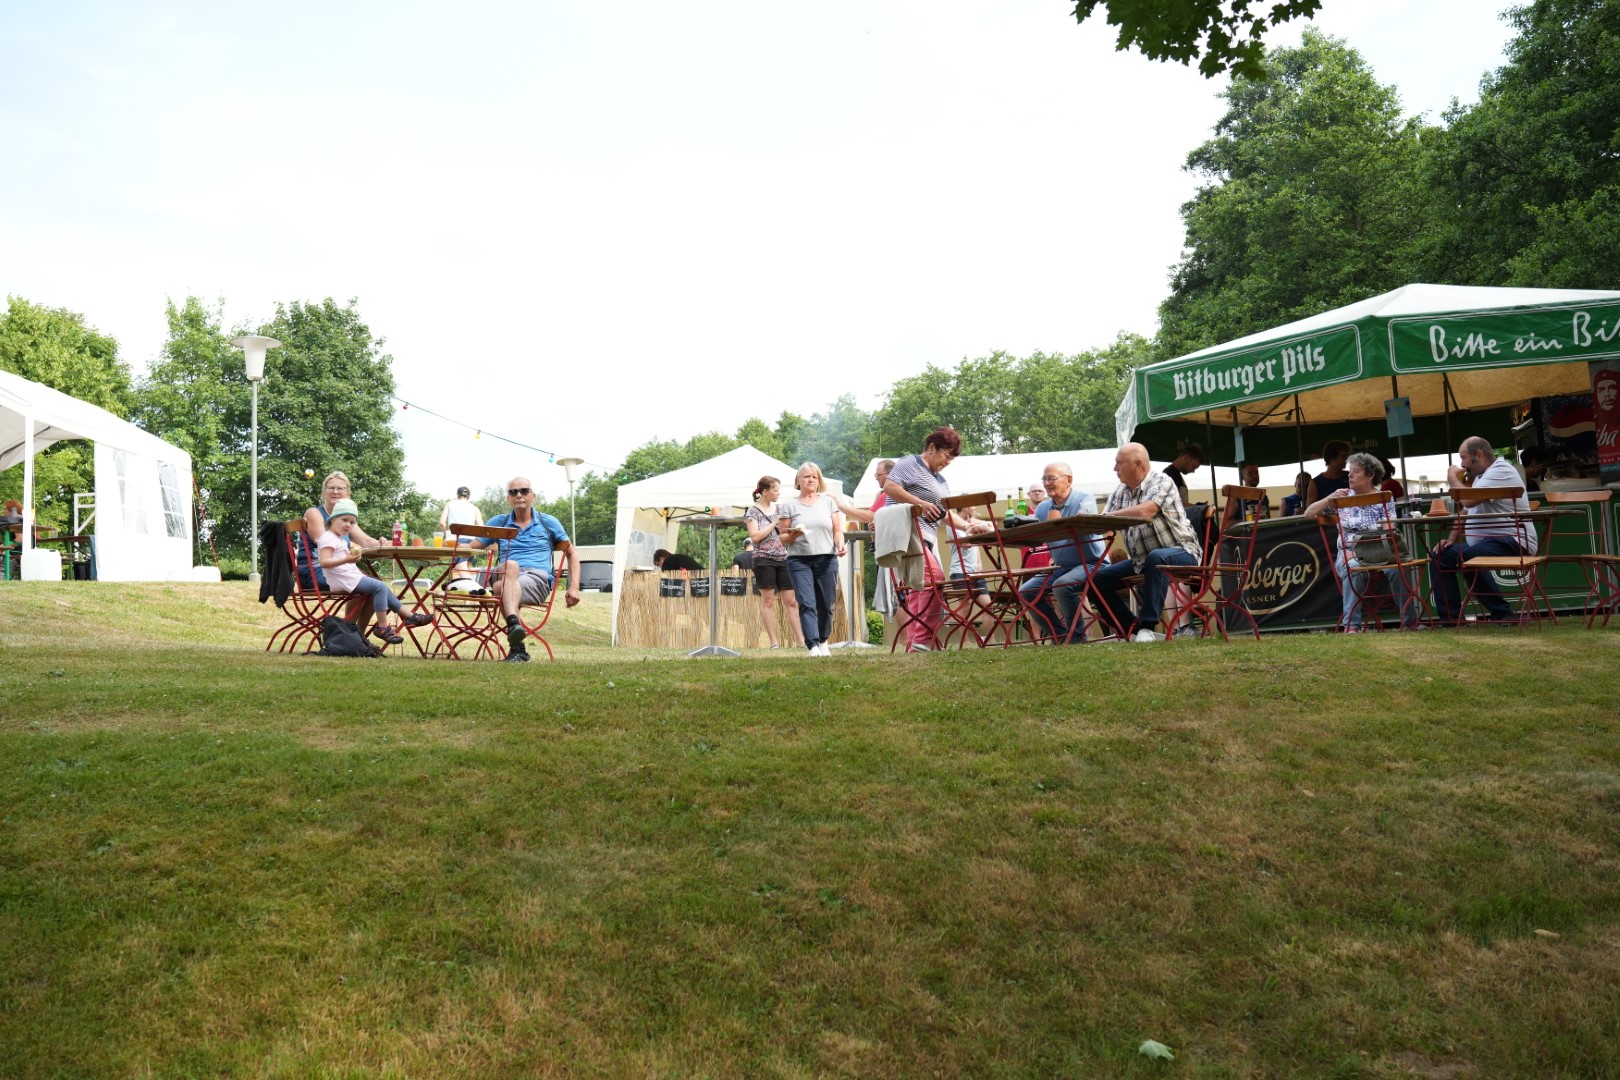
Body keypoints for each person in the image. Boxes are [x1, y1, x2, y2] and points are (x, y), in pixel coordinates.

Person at [883, 426, 987, 652]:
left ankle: (914, 645)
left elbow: (943, 514)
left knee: (918, 588)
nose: (948, 462)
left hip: (925, 538)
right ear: (932, 448)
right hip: (907, 534)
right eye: (946, 455)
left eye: (952, 458)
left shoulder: (940, 481)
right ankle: (923, 641)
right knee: (935, 580)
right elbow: (889, 486)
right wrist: (919, 503)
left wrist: (969, 526)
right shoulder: (911, 463)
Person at [1090, 442, 1203, 642]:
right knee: (1096, 581)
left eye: (1119, 463)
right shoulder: (1119, 491)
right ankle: (1133, 630)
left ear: (1138, 464)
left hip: (1183, 552)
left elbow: (1146, 511)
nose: (1115, 468)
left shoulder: (1162, 481)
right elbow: (1103, 523)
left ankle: (1148, 626)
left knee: (1156, 557)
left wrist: (1108, 517)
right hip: (1142, 560)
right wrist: (1081, 523)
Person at [1300, 453, 1420, 632]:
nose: (1349, 475)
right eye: (1350, 471)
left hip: (1380, 552)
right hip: (1349, 553)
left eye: (1355, 472)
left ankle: (1410, 622)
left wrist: (1367, 547)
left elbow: (1389, 530)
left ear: (1370, 475)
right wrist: (1329, 499)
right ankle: (1352, 626)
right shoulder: (1342, 497)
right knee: (1353, 567)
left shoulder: (1384, 497)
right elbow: (1308, 513)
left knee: (1398, 568)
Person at [470, 476, 582, 661]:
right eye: (513, 492)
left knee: (499, 588)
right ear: (508, 498)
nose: (519, 495)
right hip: (505, 572)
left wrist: (574, 587)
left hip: (536, 579)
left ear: (533, 496)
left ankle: (518, 649)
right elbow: (473, 546)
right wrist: (448, 544)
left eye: (524, 491)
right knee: (510, 566)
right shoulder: (499, 522)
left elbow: (572, 553)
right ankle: (515, 626)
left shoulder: (548, 522)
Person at [1429, 436, 1537, 625]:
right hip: (1490, 543)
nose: (1462, 465)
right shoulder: (1482, 476)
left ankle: (1503, 613)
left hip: (1514, 541)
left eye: (1463, 458)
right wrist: (1451, 539)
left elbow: (1467, 500)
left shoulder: (1501, 471)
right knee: (1441, 555)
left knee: (1469, 556)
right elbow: (1465, 510)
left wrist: (1452, 477)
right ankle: (1450, 620)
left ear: (1478, 455)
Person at [316, 499, 434, 645]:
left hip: (347, 577)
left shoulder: (338, 538)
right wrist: (347, 559)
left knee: (379, 586)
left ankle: (405, 618)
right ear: (333, 519)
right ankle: (384, 627)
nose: (348, 525)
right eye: (344, 520)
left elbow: (342, 561)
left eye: (352, 522)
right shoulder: (328, 537)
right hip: (342, 580)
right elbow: (324, 562)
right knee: (379, 587)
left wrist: (351, 560)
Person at [1018, 461, 1105, 642]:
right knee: (1026, 591)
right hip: (1062, 567)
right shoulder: (1043, 507)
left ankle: (1076, 638)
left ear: (1069, 480)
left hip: (1092, 563)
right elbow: (1031, 530)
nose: (1046, 483)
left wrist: (1055, 523)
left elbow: (1082, 520)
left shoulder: (1084, 498)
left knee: (1062, 585)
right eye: (1044, 479)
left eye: (1051, 479)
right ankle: (1060, 635)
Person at [778, 461, 846, 656]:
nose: (810, 480)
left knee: (826, 604)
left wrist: (840, 544)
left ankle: (823, 640)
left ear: (819, 480)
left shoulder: (828, 503)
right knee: (807, 602)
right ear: (798, 480)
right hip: (799, 560)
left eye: (814, 477)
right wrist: (793, 535)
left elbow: (837, 531)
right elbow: (783, 537)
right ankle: (813, 645)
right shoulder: (789, 505)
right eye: (806, 476)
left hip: (826, 558)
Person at [743, 476, 803, 649]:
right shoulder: (752, 512)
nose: (778, 493)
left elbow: (785, 532)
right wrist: (774, 523)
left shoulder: (780, 509)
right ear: (765, 492)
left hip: (783, 558)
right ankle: (774, 642)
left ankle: (801, 640)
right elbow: (755, 536)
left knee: (791, 601)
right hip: (763, 559)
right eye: (775, 490)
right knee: (768, 601)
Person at [301, 471, 382, 591]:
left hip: (339, 570)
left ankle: (355, 606)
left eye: (340, 488)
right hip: (314, 570)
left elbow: (366, 541)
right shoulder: (314, 513)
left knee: (375, 583)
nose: (335, 492)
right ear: (323, 493)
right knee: (371, 585)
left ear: (348, 494)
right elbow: (323, 542)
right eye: (331, 488)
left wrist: (381, 543)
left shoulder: (346, 520)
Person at [1220, 461, 1271, 530]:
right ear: (1242, 477)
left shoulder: (1264, 496)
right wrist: (1249, 521)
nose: (1254, 476)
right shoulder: (1235, 497)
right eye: (1250, 473)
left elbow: (1268, 519)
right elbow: (1225, 525)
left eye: (1256, 473)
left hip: (1264, 534)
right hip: (1245, 535)